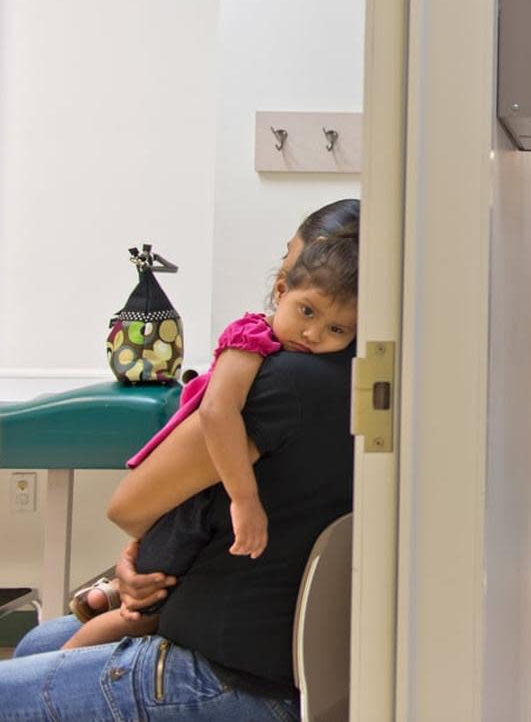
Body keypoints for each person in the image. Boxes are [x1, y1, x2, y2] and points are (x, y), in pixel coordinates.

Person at [0, 200, 359, 719]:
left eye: (289, 254)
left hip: (216, 672)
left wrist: (231, 503)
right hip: (278, 659)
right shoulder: (356, 377)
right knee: (41, 644)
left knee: (40, 660)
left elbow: (130, 507)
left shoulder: (277, 378)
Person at [60, 228, 357, 650]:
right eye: (306, 312)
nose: (313, 335)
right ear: (281, 290)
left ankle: (78, 639)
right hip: (200, 494)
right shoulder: (252, 339)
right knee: (134, 611)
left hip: (200, 503)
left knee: (138, 614)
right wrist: (244, 498)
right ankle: (74, 646)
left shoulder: (292, 370)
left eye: (336, 330)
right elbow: (218, 412)